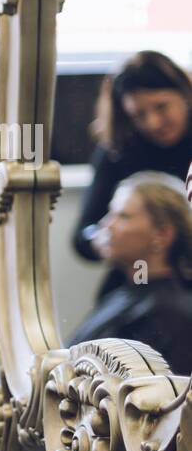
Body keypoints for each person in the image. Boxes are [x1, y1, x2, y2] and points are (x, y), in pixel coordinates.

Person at [73, 51, 192, 297]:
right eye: (139, 115)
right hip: (141, 281)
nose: (154, 123)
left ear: (185, 95)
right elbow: (82, 235)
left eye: (161, 107)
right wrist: (107, 238)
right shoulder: (118, 151)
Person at [68, 173, 192, 376]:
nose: (106, 225)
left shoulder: (171, 316)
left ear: (162, 235)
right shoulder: (123, 295)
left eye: (123, 216)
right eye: (111, 213)